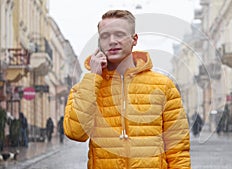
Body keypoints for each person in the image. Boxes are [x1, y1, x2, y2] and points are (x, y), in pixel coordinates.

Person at [64, 10, 191, 169]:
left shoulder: (163, 86)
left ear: (134, 39)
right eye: (105, 36)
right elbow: (75, 133)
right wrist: (93, 78)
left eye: (119, 34)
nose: (112, 41)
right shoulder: (86, 88)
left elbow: (177, 148)